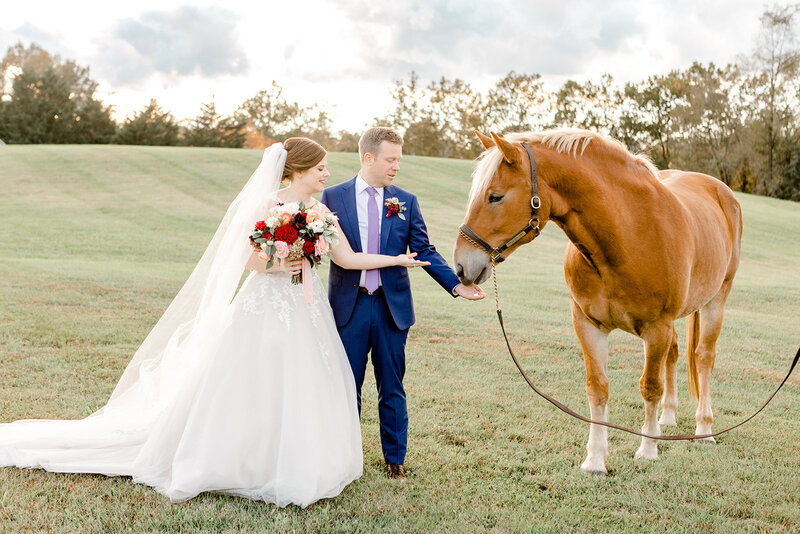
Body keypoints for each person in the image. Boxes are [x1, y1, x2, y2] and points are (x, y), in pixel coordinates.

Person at [0, 138, 428, 508]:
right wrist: (283, 261)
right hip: (266, 303)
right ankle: (238, 458)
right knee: (251, 379)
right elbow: (250, 261)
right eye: (320, 168)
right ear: (296, 170)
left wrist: (397, 258)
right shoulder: (269, 206)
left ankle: (300, 456)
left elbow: (348, 259)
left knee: (304, 380)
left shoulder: (320, 211)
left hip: (306, 308)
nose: (326, 174)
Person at [321, 127, 486, 480]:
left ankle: (395, 461)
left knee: (391, 385)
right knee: (345, 385)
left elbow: (424, 249)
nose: (396, 166)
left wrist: (457, 286)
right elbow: (322, 249)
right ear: (368, 158)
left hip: (391, 308)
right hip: (347, 307)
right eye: (390, 159)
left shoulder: (405, 201)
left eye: (399, 159)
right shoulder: (331, 197)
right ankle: (345, 459)